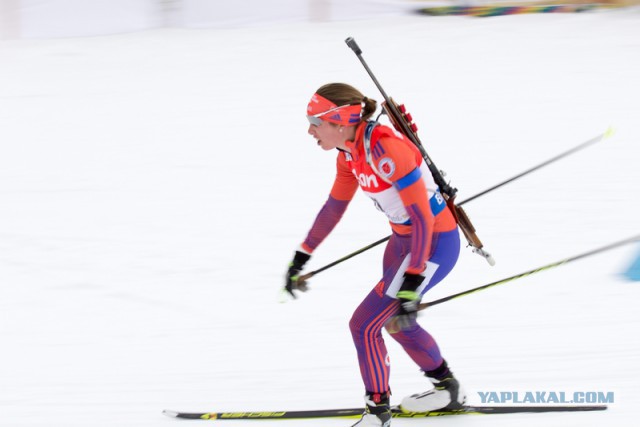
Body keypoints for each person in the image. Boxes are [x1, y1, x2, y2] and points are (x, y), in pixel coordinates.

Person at [285, 83, 466, 427]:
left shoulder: (386, 149)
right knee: (396, 321)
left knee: (364, 325)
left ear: (338, 121)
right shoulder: (349, 154)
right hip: (401, 244)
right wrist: (301, 256)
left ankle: (377, 412)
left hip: (433, 243)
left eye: (314, 121)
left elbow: (422, 218)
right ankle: (447, 389)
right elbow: (333, 208)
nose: (309, 130)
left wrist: (414, 277)